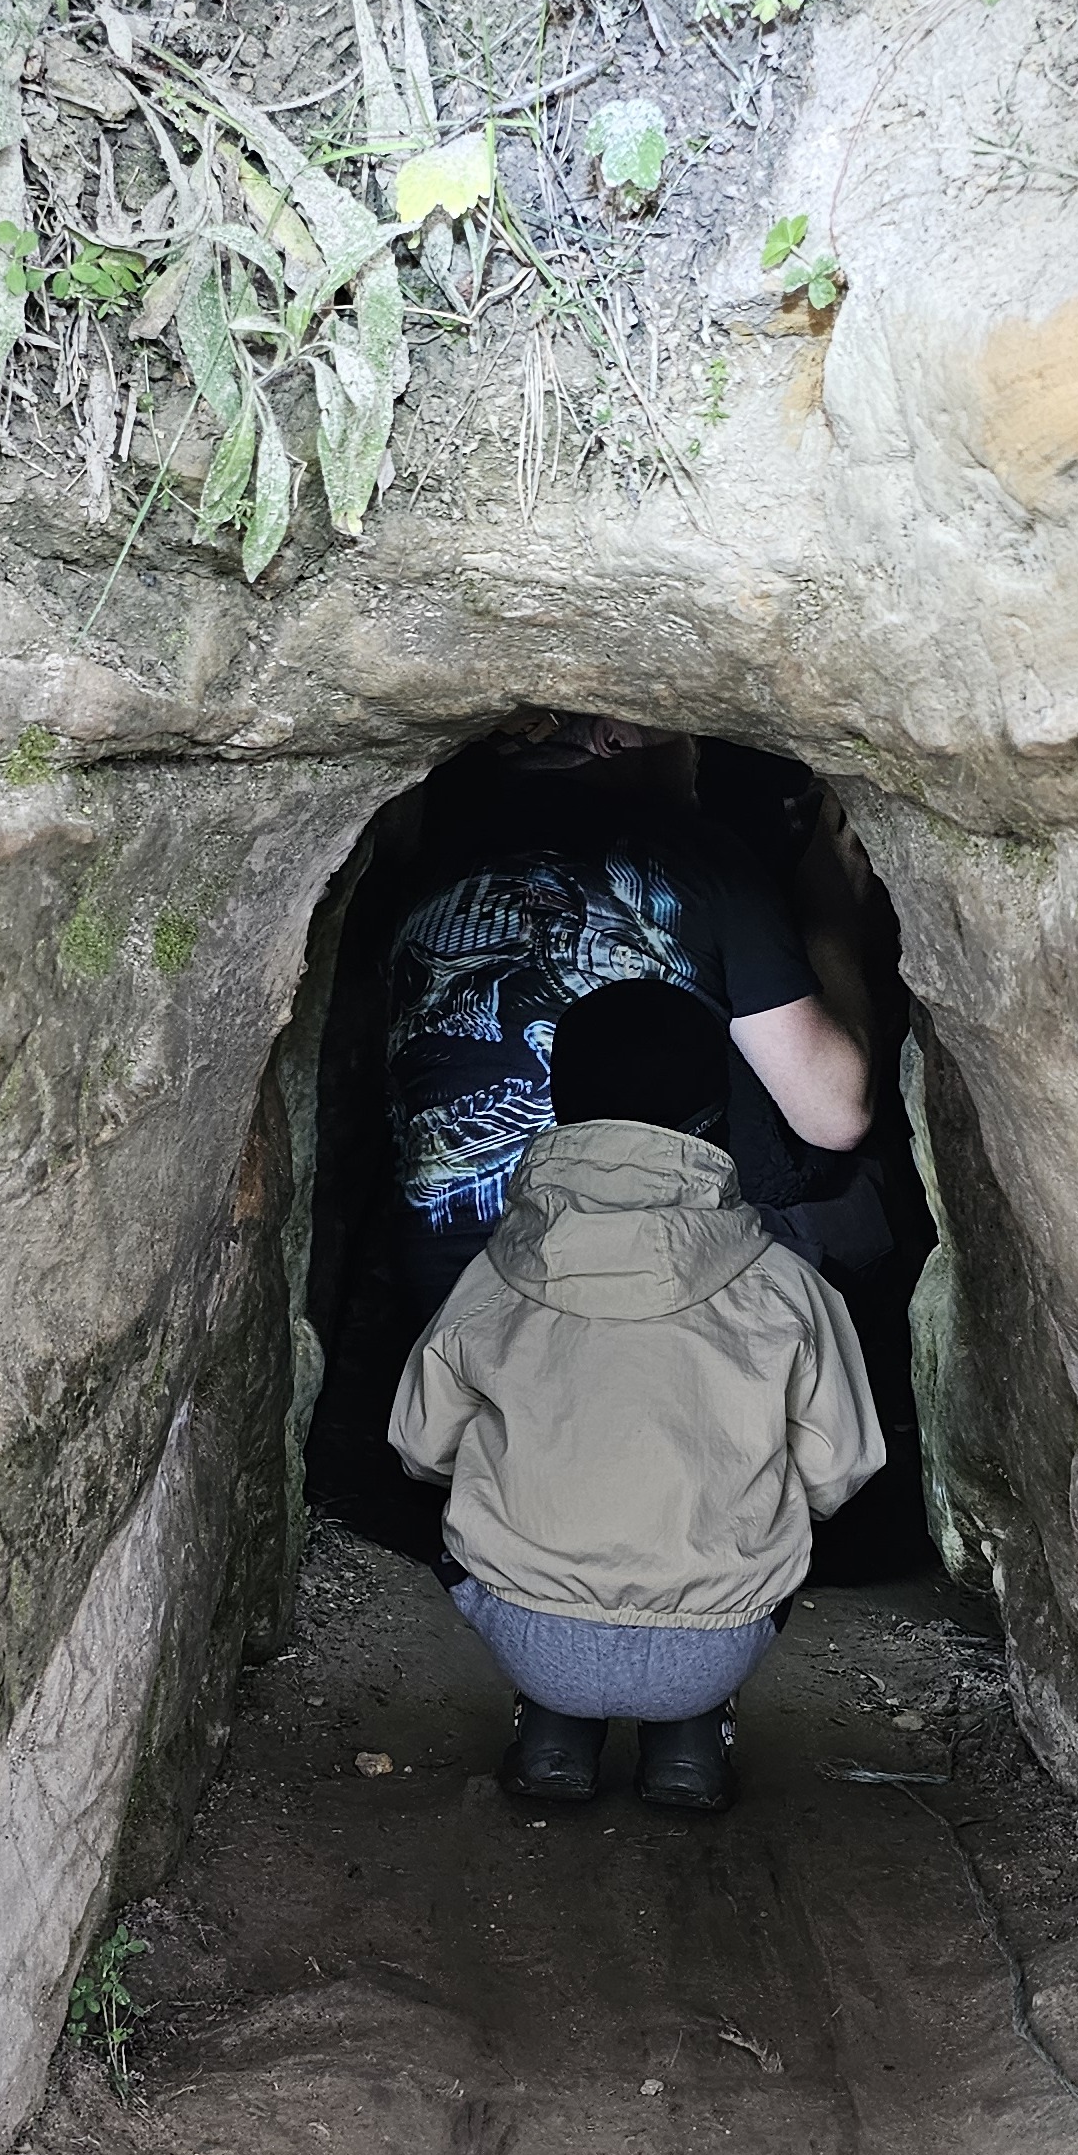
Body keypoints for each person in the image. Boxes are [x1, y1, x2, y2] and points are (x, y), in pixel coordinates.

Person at [387, 979, 885, 1812]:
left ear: (563, 1104)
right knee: (780, 1513)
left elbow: (419, 1446)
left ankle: (553, 1733)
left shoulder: (496, 1274)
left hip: (528, 1630)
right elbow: (840, 1471)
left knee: (472, 1507)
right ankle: (690, 1743)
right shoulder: (783, 1285)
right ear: (716, 1111)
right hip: (717, 1643)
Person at [386, 715, 871, 1320]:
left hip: (457, 1304)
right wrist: (832, 901)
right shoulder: (692, 859)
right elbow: (836, 1115)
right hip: (649, 1304)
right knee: (854, 1199)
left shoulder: (424, 878)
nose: (695, 762)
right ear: (618, 737)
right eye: (693, 738)